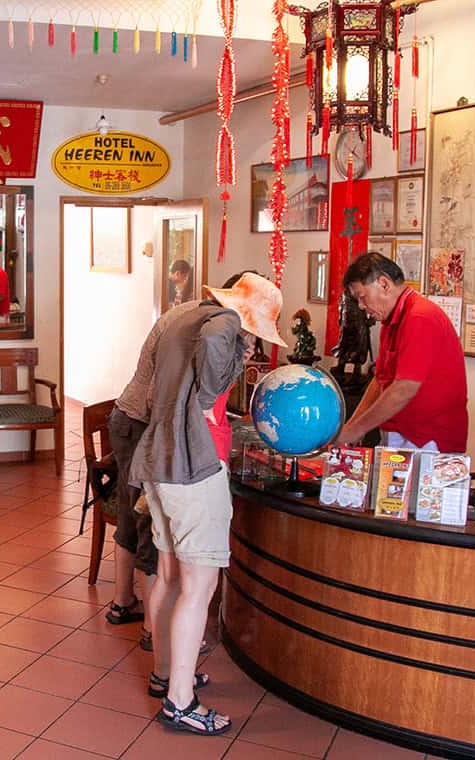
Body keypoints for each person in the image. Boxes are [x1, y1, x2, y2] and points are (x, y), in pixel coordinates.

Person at [130, 273, 287, 736]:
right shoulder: (222, 323)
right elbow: (219, 341)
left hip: (159, 458)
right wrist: (214, 381)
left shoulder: (184, 318)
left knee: (169, 575)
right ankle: (180, 702)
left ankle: (165, 673)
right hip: (193, 465)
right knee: (199, 587)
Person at [106, 271, 258, 650]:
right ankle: (153, 631)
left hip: (132, 420)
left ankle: (124, 603)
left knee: (133, 517)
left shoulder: (189, 313)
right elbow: (172, 396)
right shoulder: (212, 326)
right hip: (145, 425)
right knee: (151, 535)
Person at [335, 253, 468, 452]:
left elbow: (404, 388)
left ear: (384, 284)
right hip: (398, 434)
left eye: (362, 297)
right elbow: (379, 380)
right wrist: (351, 428)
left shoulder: (420, 317)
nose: (361, 306)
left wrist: (357, 429)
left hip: (426, 440)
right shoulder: (391, 319)